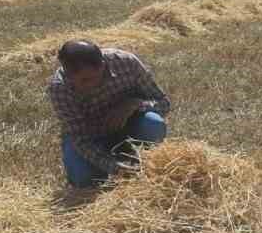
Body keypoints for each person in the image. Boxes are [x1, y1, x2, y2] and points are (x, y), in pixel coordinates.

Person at [46, 40, 171, 188]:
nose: (84, 87)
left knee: (153, 124)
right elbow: (80, 139)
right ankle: (117, 166)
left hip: (130, 127)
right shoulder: (59, 88)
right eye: (76, 82)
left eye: (88, 79)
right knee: (84, 179)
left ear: (103, 65)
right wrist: (113, 166)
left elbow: (163, 103)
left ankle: (137, 157)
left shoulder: (127, 63)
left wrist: (134, 104)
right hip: (91, 138)